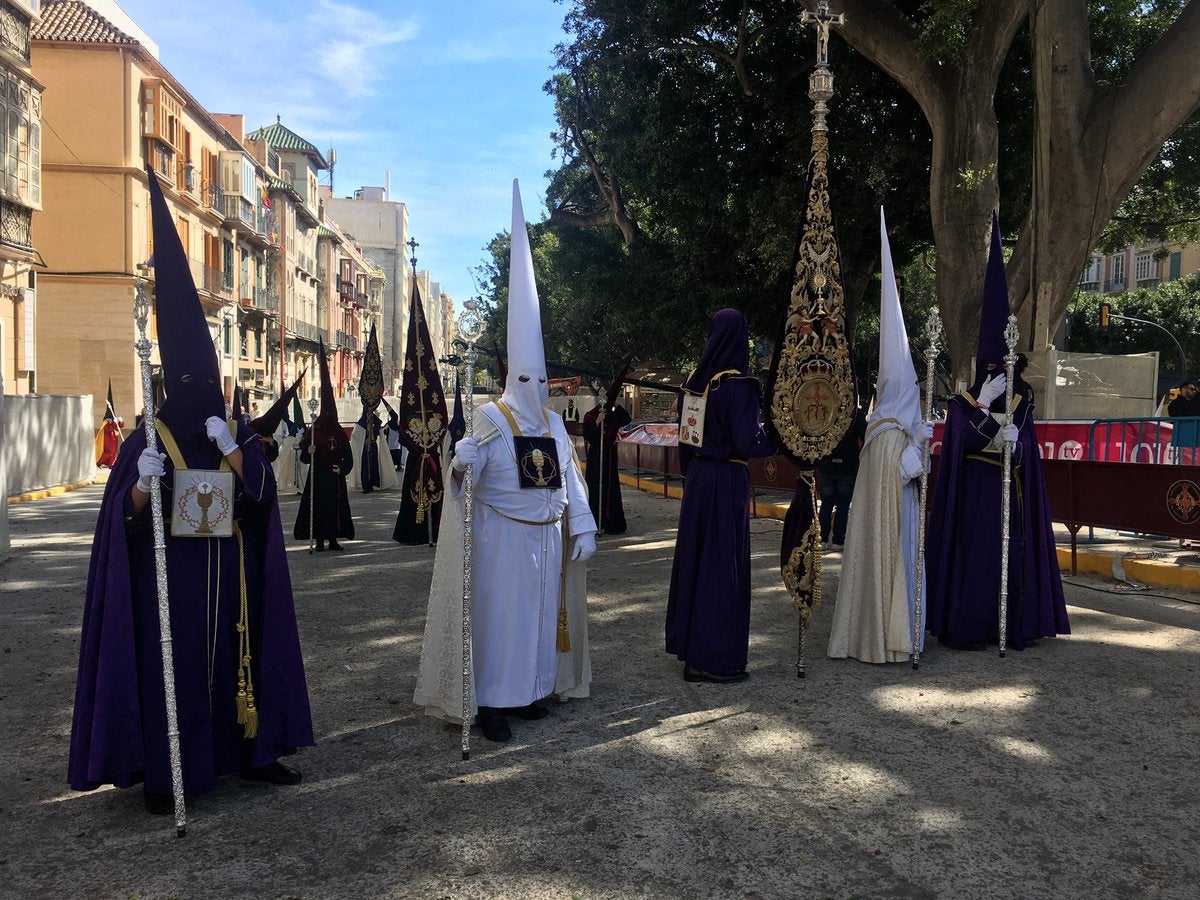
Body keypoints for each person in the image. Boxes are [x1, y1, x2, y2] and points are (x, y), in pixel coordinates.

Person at [68, 165, 313, 815]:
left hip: (231, 577)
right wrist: (142, 484)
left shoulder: (228, 428)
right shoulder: (151, 435)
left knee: (237, 664)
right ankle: (167, 768)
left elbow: (260, 495)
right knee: (172, 671)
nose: (205, 388)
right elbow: (122, 525)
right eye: (193, 379)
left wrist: (232, 446)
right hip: (168, 583)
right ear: (175, 380)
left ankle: (252, 755)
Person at [414, 180, 595, 744]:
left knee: (541, 622)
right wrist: (460, 461)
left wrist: (583, 525)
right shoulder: (492, 419)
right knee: (499, 622)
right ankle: (491, 699)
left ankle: (533, 689)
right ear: (513, 373)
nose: (536, 386)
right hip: (500, 541)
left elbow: (570, 478)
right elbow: (463, 479)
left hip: (546, 538)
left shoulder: (555, 424)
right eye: (528, 377)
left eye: (543, 378)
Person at [926, 213, 1069, 651]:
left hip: (1009, 494)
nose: (994, 374)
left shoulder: (1024, 401)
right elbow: (961, 442)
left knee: (1008, 559)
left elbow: (1028, 450)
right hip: (972, 494)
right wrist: (984, 407)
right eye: (987, 369)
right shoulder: (961, 403)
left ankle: (1012, 623)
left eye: (1000, 369)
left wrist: (1018, 445)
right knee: (975, 560)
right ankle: (968, 624)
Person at [828, 208, 933, 664]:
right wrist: (922, 444)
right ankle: (893, 639)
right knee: (897, 567)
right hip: (898, 524)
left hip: (883, 517)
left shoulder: (878, 429)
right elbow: (909, 474)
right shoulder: (893, 434)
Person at [665, 308, 774, 683]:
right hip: (727, 479)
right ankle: (712, 658)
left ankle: (691, 648)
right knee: (720, 566)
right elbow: (748, 440)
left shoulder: (694, 382)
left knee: (697, 561)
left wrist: (693, 474)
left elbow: (684, 440)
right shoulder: (738, 386)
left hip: (698, 478)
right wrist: (776, 439)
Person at [295, 340, 354, 552]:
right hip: (318, 477)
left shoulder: (338, 433)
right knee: (318, 509)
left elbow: (348, 457)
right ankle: (319, 540)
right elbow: (303, 456)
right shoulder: (314, 432)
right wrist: (307, 451)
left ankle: (333, 539)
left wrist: (342, 469)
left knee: (334, 509)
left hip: (335, 477)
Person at [817, 404, 866, 551]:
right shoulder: (855, 413)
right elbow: (865, 436)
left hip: (826, 464)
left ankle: (822, 540)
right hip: (847, 466)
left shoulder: (826, 407)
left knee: (825, 505)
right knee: (843, 507)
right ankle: (838, 541)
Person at [582, 400, 632, 534]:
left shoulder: (613, 417)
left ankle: (611, 520)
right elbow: (588, 435)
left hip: (609, 456)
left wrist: (616, 404)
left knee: (610, 487)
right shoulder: (590, 416)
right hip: (595, 457)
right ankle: (594, 522)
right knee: (594, 487)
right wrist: (598, 421)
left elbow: (626, 418)